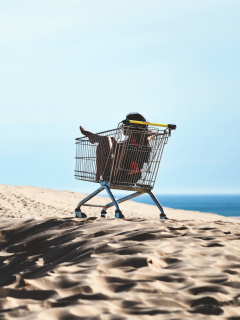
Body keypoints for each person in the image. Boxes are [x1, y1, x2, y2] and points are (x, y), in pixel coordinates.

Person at [80, 113, 154, 184]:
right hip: (133, 178)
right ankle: (93, 137)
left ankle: (93, 137)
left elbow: (118, 164)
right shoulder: (143, 141)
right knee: (112, 140)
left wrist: (112, 174)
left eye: (125, 124)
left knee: (106, 139)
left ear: (131, 126)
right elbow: (153, 132)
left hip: (117, 176)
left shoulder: (126, 146)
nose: (123, 127)